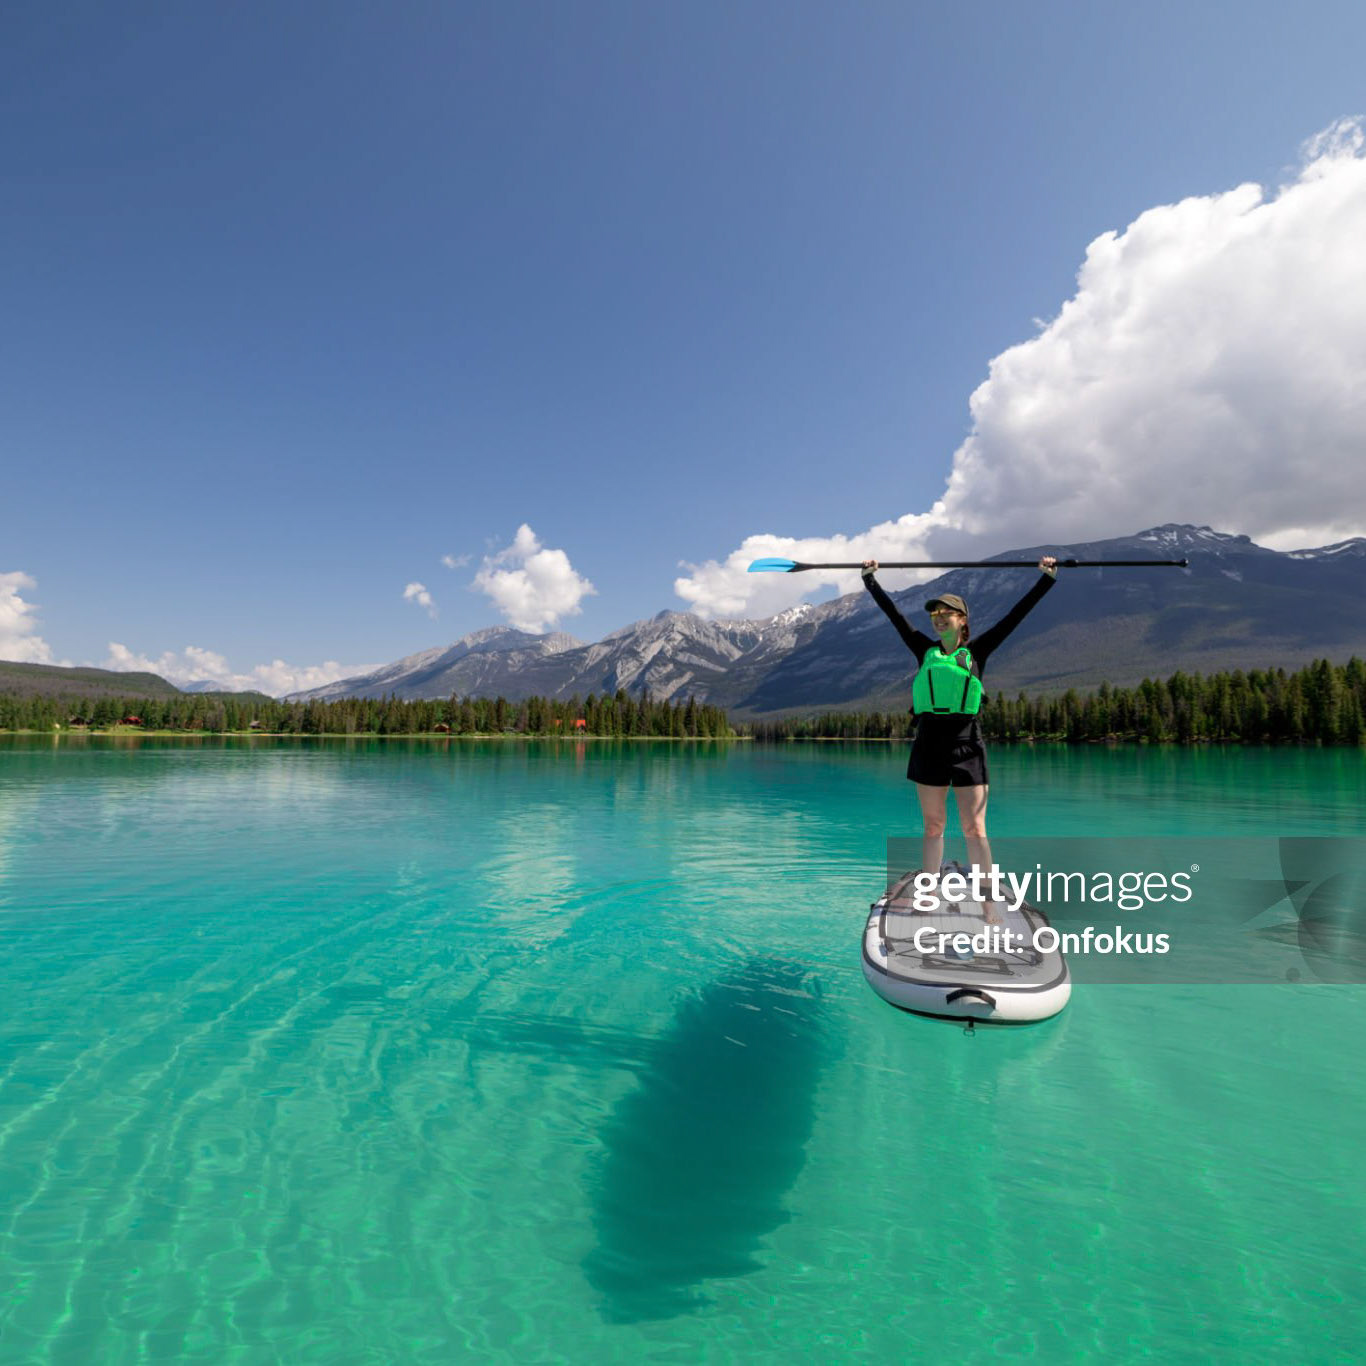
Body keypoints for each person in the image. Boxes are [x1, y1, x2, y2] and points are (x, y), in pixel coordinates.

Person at [861, 554, 1058, 919]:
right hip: (929, 745)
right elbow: (895, 618)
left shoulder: (978, 651)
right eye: (934, 614)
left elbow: (1015, 618)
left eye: (945, 613)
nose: (938, 618)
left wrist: (1046, 579)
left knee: (974, 828)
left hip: (968, 745)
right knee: (933, 826)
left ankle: (988, 904)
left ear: (961, 620)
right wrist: (870, 580)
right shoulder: (924, 650)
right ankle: (928, 897)